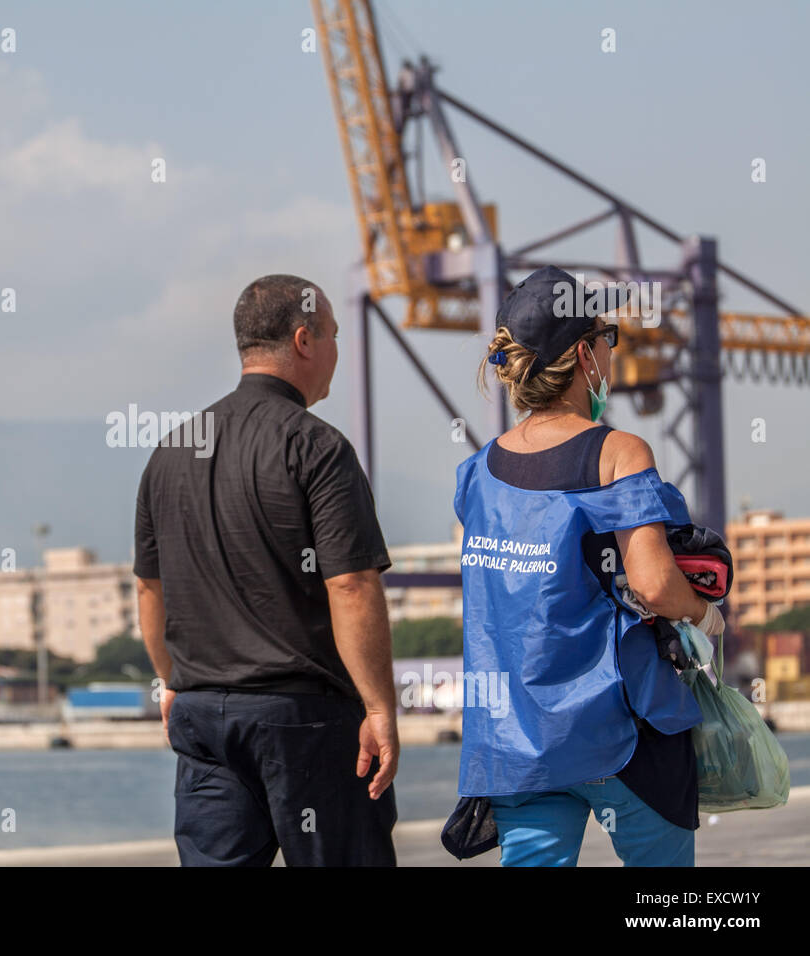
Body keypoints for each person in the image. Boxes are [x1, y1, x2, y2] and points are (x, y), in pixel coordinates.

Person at [452, 265, 725, 867]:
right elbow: (654, 583)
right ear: (584, 355)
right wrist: (706, 617)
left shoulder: (475, 475)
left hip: (520, 743)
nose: (611, 351)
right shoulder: (618, 452)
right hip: (622, 730)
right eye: (609, 338)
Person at [134, 274, 400, 867]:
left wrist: (171, 679)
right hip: (304, 718)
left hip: (204, 717)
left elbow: (149, 590)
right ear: (304, 339)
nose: (336, 350)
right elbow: (351, 584)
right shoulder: (317, 447)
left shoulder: (171, 451)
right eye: (331, 334)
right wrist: (380, 709)